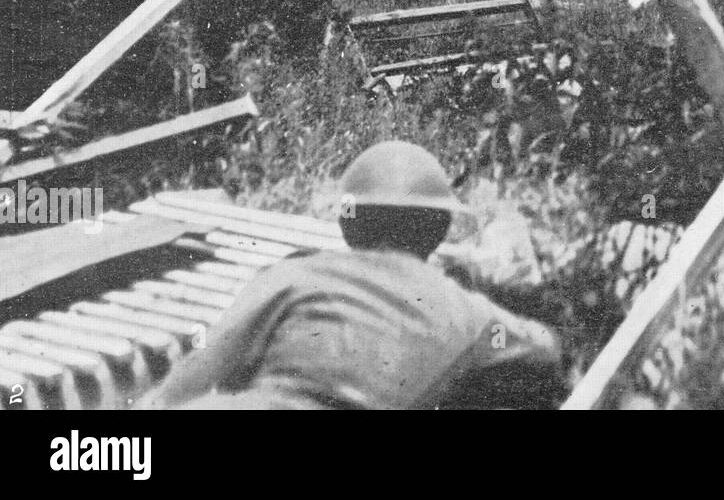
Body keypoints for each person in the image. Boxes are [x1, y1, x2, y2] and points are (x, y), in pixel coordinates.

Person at [142, 141, 563, 409]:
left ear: (349, 223)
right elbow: (546, 348)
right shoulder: (469, 313)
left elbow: (199, 371)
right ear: (438, 232)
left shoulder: (295, 275)